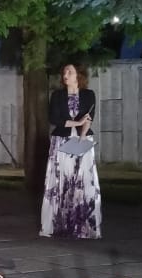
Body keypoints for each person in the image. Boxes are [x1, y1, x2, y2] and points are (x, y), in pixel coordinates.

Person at [40, 62, 102, 239]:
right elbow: (55, 119)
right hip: (62, 141)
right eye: (64, 72)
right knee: (61, 181)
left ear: (78, 75)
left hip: (82, 140)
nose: (65, 75)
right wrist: (77, 123)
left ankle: (83, 227)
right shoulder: (57, 95)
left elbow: (89, 118)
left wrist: (82, 136)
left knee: (83, 182)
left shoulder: (89, 95)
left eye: (70, 72)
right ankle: (59, 225)